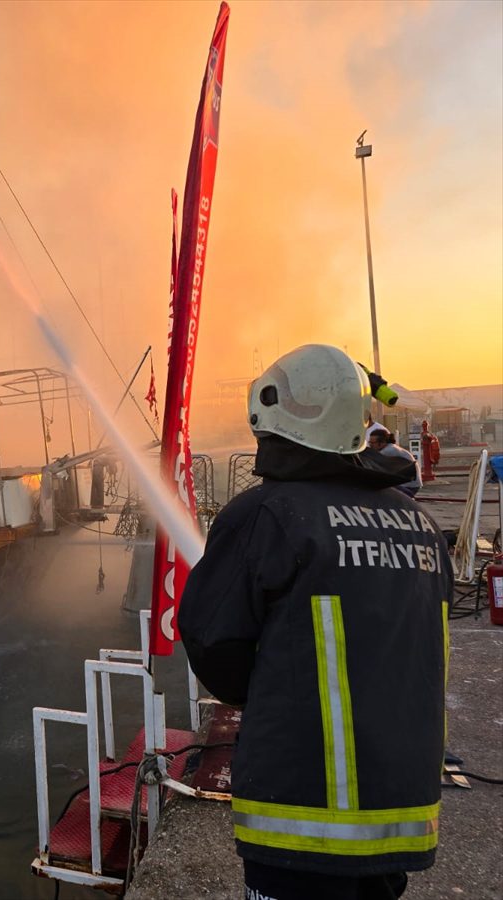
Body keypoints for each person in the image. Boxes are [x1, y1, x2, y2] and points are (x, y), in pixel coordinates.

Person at [178, 344, 451, 900]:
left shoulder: (266, 516)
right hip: (398, 812)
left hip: (301, 817)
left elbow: (213, 644)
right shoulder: (419, 525)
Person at [367, 425, 422, 498]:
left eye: (372, 443)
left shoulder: (387, 451)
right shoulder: (390, 447)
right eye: (369, 442)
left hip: (408, 485)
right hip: (412, 483)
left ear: (382, 442)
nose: (370, 445)